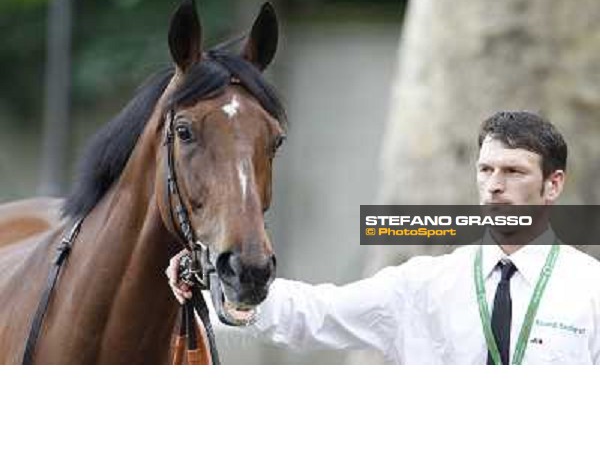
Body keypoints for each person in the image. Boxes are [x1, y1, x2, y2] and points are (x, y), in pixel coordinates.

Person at [166, 111, 600, 364]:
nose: (494, 186)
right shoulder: (423, 285)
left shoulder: (591, 288)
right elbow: (315, 314)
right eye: (486, 170)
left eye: (513, 172)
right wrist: (219, 287)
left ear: (553, 184)